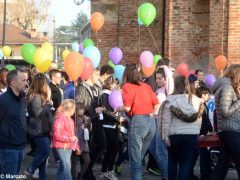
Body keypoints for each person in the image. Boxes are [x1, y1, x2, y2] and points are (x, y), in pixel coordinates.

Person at [115, 64, 159, 180]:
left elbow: (127, 108)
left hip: (138, 122)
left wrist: (118, 108)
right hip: (151, 123)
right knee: (139, 158)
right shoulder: (146, 86)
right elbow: (157, 104)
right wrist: (151, 114)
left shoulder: (127, 86)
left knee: (135, 161)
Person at [159, 76, 204, 180]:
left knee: (172, 161)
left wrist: (165, 137)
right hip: (191, 136)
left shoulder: (170, 100)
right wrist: (196, 133)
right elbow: (199, 120)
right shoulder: (197, 100)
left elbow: (165, 120)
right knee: (185, 163)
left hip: (175, 136)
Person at [211, 64, 240, 180]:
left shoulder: (229, 87)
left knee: (222, 164)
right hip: (231, 131)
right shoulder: (227, 88)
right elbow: (225, 111)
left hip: (229, 130)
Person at [75, 69, 104, 180]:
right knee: (88, 148)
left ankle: (89, 168)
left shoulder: (97, 87)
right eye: (96, 74)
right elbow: (79, 106)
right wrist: (93, 111)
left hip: (97, 121)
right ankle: (86, 172)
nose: (98, 76)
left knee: (102, 144)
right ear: (90, 74)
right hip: (87, 122)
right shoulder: (82, 88)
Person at [0, 69, 28, 177]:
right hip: (8, 148)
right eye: (23, 80)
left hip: (20, 146)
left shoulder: (20, 99)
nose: (26, 83)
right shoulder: (3, 101)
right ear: (13, 83)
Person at [24, 73, 53, 179]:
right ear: (42, 84)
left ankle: (42, 177)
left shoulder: (39, 95)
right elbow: (37, 113)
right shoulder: (35, 96)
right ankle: (30, 168)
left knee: (42, 155)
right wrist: (49, 105)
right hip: (38, 129)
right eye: (45, 83)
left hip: (43, 128)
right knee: (46, 151)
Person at [99, 75, 123, 180]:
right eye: (115, 84)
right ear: (111, 84)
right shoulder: (105, 95)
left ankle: (105, 171)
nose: (117, 86)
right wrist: (117, 119)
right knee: (114, 147)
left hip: (112, 125)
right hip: (107, 125)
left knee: (111, 148)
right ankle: (108, 171)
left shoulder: (110, 94)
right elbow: (105, 111)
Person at [52, 99, 80, 180]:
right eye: (74, 109)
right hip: (62, 147)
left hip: (68, 147)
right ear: (70, 109)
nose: (75, 111)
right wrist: (70, 139)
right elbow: (57, 135)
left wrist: (77, 147)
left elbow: (73, 135)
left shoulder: (70, 120)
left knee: (62, 167)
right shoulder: (60, 118)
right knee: (67, 166)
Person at [196, 86, 213, 180]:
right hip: (199, 134)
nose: (209, 96)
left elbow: (206, 120)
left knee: (203, 154)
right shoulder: (199, 105)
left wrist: (210, 129)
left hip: (203, 134)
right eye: (208, 94)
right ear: (203, 95)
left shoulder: (204, 104)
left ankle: (207, 172)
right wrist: (202, 132)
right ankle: (204, 174)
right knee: (202, 155)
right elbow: (201, 120)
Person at [71, 103, 92, 180]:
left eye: (82, 108)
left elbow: (89, 131)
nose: (81, 110)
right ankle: (74, 178)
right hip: (75, 143)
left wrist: (88, 126)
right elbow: (76, 133)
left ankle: (81, 175)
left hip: (84, 143)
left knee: (87, 160)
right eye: (79, 108)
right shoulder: (73, 119)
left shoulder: (87, 118)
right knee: (74, 163)